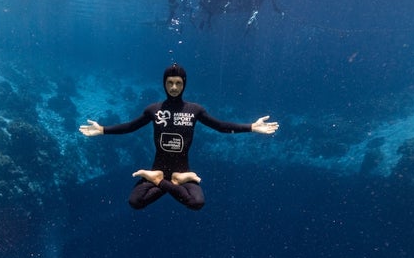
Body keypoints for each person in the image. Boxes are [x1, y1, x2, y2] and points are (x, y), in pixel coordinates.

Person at [79, 63, 279, 210]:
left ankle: (163, 180)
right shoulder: (153, 110)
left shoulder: (195, 110)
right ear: (164, 84)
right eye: (170, 83)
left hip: (183, 171)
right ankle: (165, 180)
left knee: (197, 203)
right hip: (160, 169)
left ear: (184, 84)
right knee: (135, 202)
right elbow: (130, 126)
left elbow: (220, 126)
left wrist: (252, 127)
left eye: (178, 83)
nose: (174, 87)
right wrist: (103, 129)